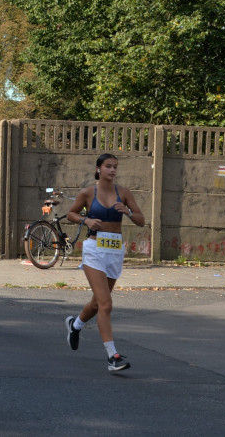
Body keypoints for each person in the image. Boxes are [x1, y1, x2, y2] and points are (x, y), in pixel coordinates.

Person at [64, 153, 146, 372]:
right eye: (108, 166)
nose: (112, 170)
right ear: (99, 169)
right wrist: (86, 219)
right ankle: (113, 356)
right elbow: (70, 213)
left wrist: (128, 212)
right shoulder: (88, 193)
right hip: (94, 250)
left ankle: (75, 325)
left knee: (97, 303)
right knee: (106, 304)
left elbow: (141, 221)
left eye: (115, 167)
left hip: (114, 250)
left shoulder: (124, 193)